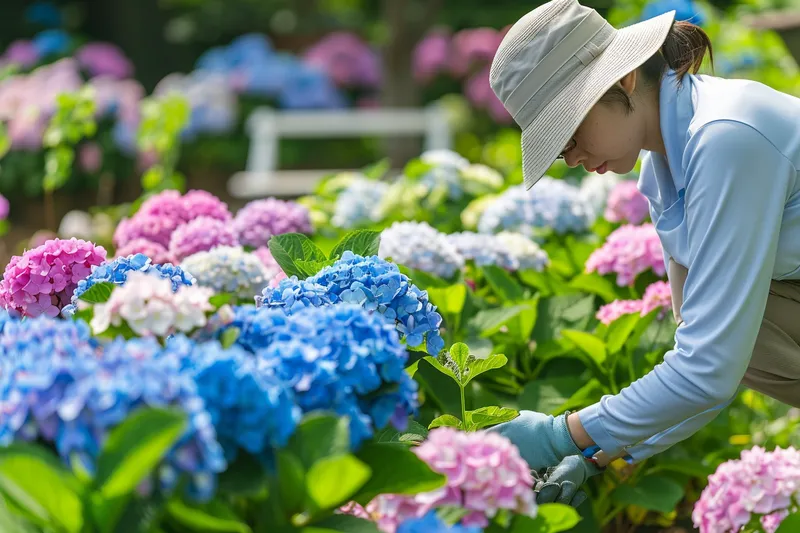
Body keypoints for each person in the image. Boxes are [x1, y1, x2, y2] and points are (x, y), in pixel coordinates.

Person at [487, 0, 800, 507]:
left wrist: (561, 434)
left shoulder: (726, 138)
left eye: (568, 131)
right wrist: (601, 453)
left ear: (626, 79)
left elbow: (709, 369)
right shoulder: (663, 170)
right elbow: (701, 354)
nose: (570, 158)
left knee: (742, 328)